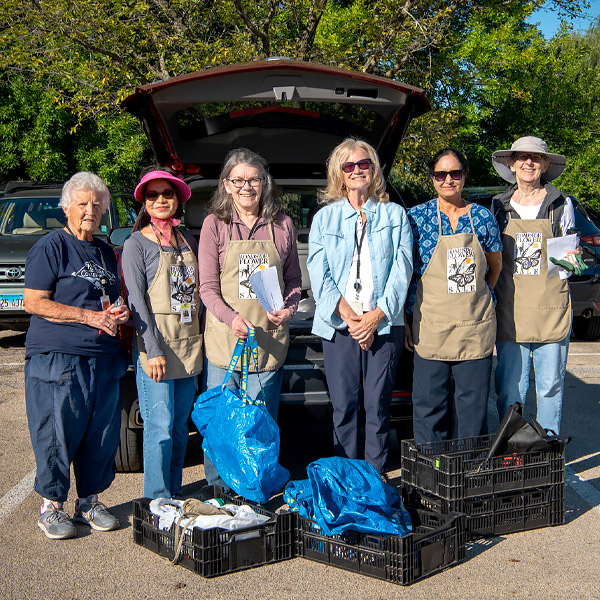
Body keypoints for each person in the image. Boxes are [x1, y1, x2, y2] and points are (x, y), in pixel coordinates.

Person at [23, 172, 130, 540]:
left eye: (97, 205)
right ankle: (51, 506)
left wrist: (119, 312)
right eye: (82, 203)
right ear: (66, 207)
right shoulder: (51, 246)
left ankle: (89, 501)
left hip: (103, 355)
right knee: (57, 430)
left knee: (100, 434)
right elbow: (33, 301)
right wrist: (88, 317)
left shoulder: (102, 251)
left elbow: (108, 298)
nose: (90, 210)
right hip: (58, 355)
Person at [307, 138, 413, 476]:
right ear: (339, 172)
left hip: (383, 325)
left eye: (363, 164)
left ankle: (375, 478)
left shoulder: (395, 215)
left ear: (374, 168)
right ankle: (346, 478)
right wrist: (353, 319)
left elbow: (403, 267)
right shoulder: (325, 218)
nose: (356, 171)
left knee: (378, 407)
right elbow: (318, 271)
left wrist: (376, 316)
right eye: (348, 166)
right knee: (344, 407)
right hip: (340, 327)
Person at [198, 148, 301, 487]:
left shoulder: (283, 225)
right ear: (226, 185)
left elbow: (294, 282)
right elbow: (207, 288)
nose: (246, 187)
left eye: (253, 179)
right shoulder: (215, 225)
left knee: (260, 423)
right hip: (226, 342)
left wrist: (288, 308)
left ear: (264, 183)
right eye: (238, 180)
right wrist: (231, 319)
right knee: (222, 422)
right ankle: (219, 488)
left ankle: (257, 488)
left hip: (268, 344)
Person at [405, 148, 502, 444]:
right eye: (441, 174)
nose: (448, 179)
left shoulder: (483, 218)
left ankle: (466, 479)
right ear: (433, 179)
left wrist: (475, 301)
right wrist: (406, 322)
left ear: (464, 176)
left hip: (474, 330)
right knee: (428, 409)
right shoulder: (415, 218)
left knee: (472, 412)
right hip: (430, 328)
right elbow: (406, 274)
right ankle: (432, 477)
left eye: (455, 173)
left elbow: (495, 268)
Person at [122, 169, 203, 499]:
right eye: (152, 195)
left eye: (166, 194)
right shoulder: (136, 244)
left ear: (177, 199)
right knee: (159, 428)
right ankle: (156, 498)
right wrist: (151, 349)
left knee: (180, 428)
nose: (160, 200)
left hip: (189, 348)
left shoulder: (188, 240)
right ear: (144, 201)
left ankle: (174, 492)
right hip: (155, 349)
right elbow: (136, 300)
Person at [492, 136, 578, 434]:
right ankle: (510, 450)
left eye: (536, 158)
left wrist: (573, 258)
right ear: (512, 165)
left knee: (550, 389)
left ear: (545, 165)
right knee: (509, 390)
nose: (528, 162)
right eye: (522, 157)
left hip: (550, 310)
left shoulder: (561, 204)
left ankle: (547, 452)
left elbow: (568, 264)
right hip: (510, 311)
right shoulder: (498, 207)